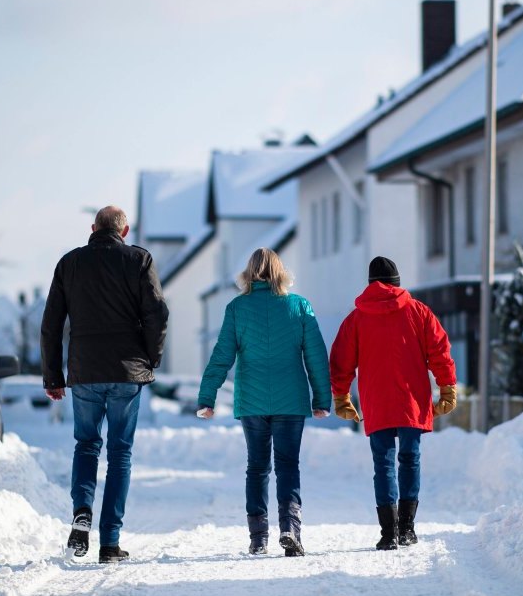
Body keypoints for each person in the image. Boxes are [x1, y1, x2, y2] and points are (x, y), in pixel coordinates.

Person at [41, 205, 168, 564]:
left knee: (86, 445)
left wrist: (53, 375)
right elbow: (157, 312)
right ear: (125, 231)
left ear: (93, 227)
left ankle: (82, 511)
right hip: (127, 373)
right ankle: (110, 542)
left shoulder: (69, 263)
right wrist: (150, 359)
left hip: (84, 372)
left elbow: (51, 324)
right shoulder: (139, 260)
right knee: (120, 454)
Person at [197, 248, 331, 557]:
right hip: (291, 401)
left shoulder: (237, 308)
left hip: (253, 402)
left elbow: (221, 357)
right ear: (281, 272)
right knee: (287, 466)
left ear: (248, 274)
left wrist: (207, 397)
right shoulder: (299, 307)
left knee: (257, 467)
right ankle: (290, 530)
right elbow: (316, 357)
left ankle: (258, 538)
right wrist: (321, 398)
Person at [329, 256, 456, 550]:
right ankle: (407, 529)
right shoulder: (419, 312)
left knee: (383, 464)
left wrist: (341, 395)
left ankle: (388, 533)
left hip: (377, 402)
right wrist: (446, 387)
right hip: (412, 400)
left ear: (370, 283)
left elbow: (341, 361)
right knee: (410, 459)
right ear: (397, 283)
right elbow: (440, 350)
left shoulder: (356, 318)